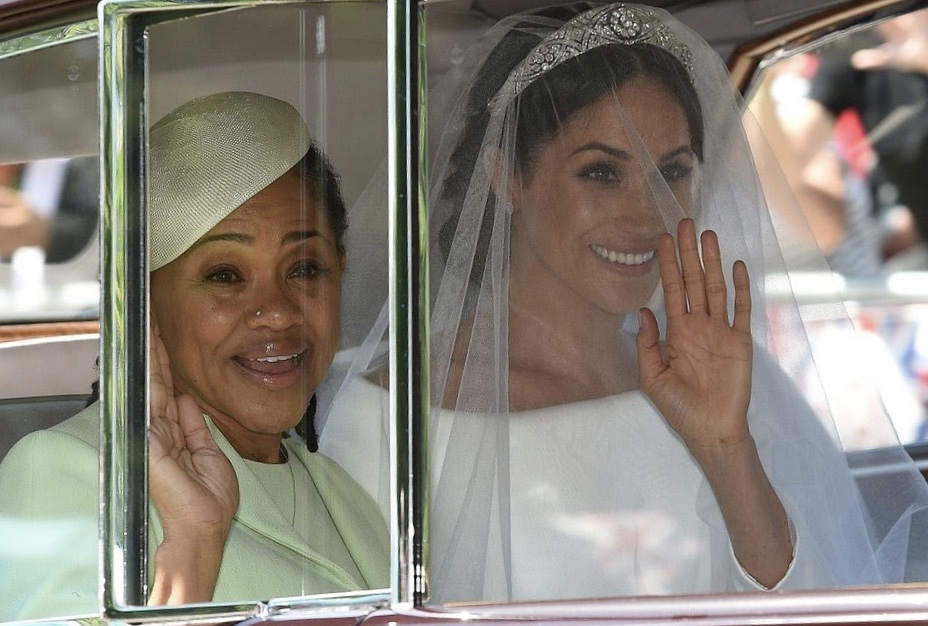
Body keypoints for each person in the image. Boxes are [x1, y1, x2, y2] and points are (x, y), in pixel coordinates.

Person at [320, 2, 928, 603]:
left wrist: (726, 449)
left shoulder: (730, 383)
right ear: (506, 178)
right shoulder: (387, 421)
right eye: (601, 174)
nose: (646, 214)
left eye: (673, 172)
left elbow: (814, 604)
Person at [0, 91, 388, 620]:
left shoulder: (346, 494)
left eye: (304, 268)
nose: (276, 312)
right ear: (142, 304)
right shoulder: (68, 469)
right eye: (224, 276)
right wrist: (194, 546)